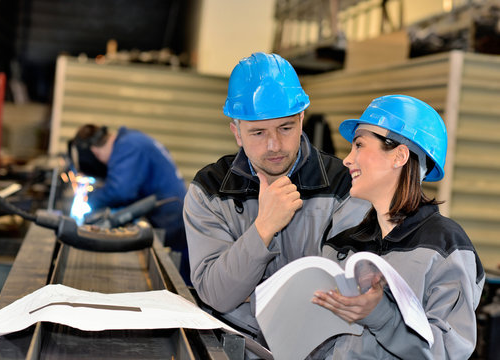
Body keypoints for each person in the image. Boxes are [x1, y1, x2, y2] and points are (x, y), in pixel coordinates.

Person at [183, 52, 370, 343]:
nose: (274, 145)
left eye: (285, 128)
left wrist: (251, 294)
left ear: (301, 119)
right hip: (237, 348)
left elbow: (347, 296)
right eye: (258, 132)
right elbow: (218, 295)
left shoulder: (344, 185)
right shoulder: (209, 190)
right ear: (237, 133)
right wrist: (263, 229)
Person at [311, 95, 485, 359]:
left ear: (399, 156)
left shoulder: (445, 245)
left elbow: (448, 352)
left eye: (359, 145)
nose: (347, 159)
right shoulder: (341, 245)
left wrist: (381, 316)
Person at [70, 124, 190, 283]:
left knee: (176, 278)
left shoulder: (128, 147)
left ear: (95, 151)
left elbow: (120, 191)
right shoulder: (129, 140)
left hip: (171, 218)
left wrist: (89, 199)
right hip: (170, 213)